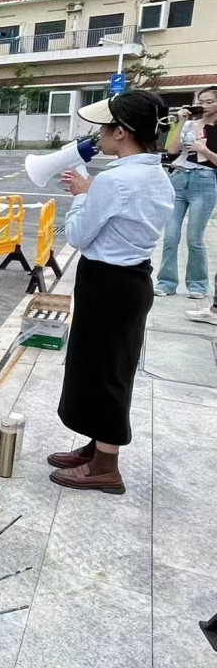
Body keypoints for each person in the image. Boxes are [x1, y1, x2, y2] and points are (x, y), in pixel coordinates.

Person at [49, 92, 174, 494]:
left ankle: (106, 466)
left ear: (121, 132)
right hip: (131, 280)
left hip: (106, 282)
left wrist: (82, 195)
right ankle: (95, 446)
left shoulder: (114, 180)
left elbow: (78, 235)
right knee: (103, 365)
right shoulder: (156, 174)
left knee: (103, 371)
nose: (99, 134)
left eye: (104, 127)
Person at [155, 86, 217, 298]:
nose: (204, 106)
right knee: (170, 236)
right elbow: (172, 150)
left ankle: (198, 285)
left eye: (209, 102)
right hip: (179, 178)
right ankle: (166, 283)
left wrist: (204, 150)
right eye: (201, 102)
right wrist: (180, 122)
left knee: (194, 237)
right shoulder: (190, 125)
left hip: (205, 181)